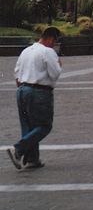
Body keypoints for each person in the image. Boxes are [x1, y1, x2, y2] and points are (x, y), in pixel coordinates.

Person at [8, 26, 63, 171]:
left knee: (28, 126)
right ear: (51, 39)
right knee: (44, 126)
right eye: (55, 41)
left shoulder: (26, 51)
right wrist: (59, 64)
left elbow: (16, 74)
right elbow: (55, 74)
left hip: (22, 90)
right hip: (39, 92)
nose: (54, 45)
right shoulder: (48, 52)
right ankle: (19, 149)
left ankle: (32, 159)